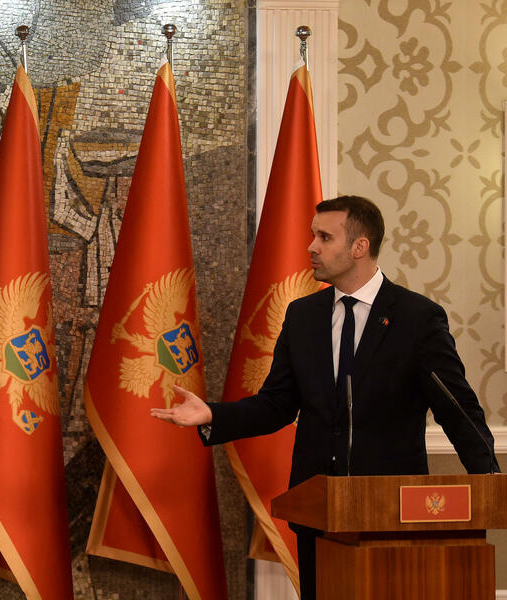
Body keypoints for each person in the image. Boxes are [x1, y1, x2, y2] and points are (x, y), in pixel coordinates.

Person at [150, 195, 499, 599]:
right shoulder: (303, 316)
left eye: (325, 237)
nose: (311, 246)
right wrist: (212, 414)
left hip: (391, 516)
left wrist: (489, 482)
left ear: (360, 246)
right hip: (318, 516)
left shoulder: (416, 318)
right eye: (313, 235)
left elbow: (456, 407)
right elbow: (277, 404)